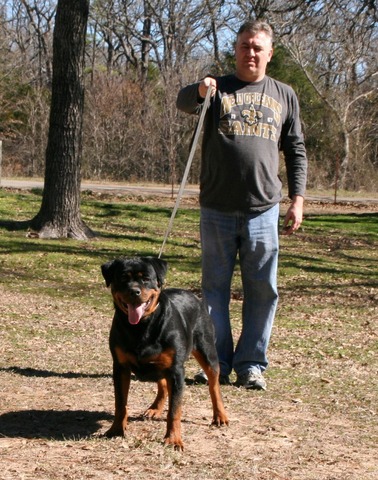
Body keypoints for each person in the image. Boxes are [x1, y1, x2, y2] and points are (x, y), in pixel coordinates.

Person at [176, 20, 307, 390]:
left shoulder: (284, 94)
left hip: (263, 208)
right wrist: (201, 89)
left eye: (257, 47)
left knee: (262, 289)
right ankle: (213, 363)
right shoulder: (217, 88)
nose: (250, 52)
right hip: (216, 206)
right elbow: (183, 101)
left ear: (270, 53)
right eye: (244, 45)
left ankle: (252, 364)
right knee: (214, 289)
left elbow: (295, 150)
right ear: (236, 49)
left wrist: (297, 199)